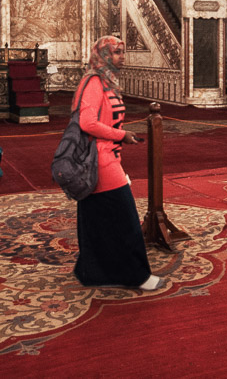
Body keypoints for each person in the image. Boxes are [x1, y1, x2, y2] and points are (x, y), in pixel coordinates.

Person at [71, 35, 162, 291]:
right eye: (117, 52)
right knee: (126, 220)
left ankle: (92, 271)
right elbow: (87, 123)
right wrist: (121, 135)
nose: (122, 57)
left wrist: (121, 138)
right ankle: (137, 276)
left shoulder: (105, 81)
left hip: (106, 155)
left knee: (96, 219)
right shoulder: (93, 82)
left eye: (122, 52)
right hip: (99, 160)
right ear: (103, 55)